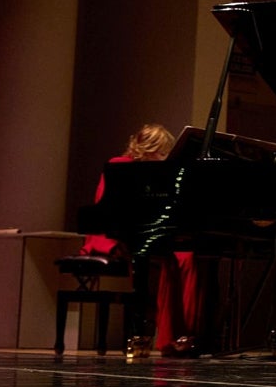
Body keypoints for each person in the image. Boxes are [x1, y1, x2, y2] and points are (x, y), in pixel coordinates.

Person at [80, 123, 205, 358]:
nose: (166, 157)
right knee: (163, 260)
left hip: (150, 233)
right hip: (115, 235)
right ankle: (165, 338)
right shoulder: (120, 167)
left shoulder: (162, 173)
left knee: (187, 257)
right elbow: (107, 209)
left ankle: (186, 334)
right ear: (149, 149)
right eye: (163, 152)